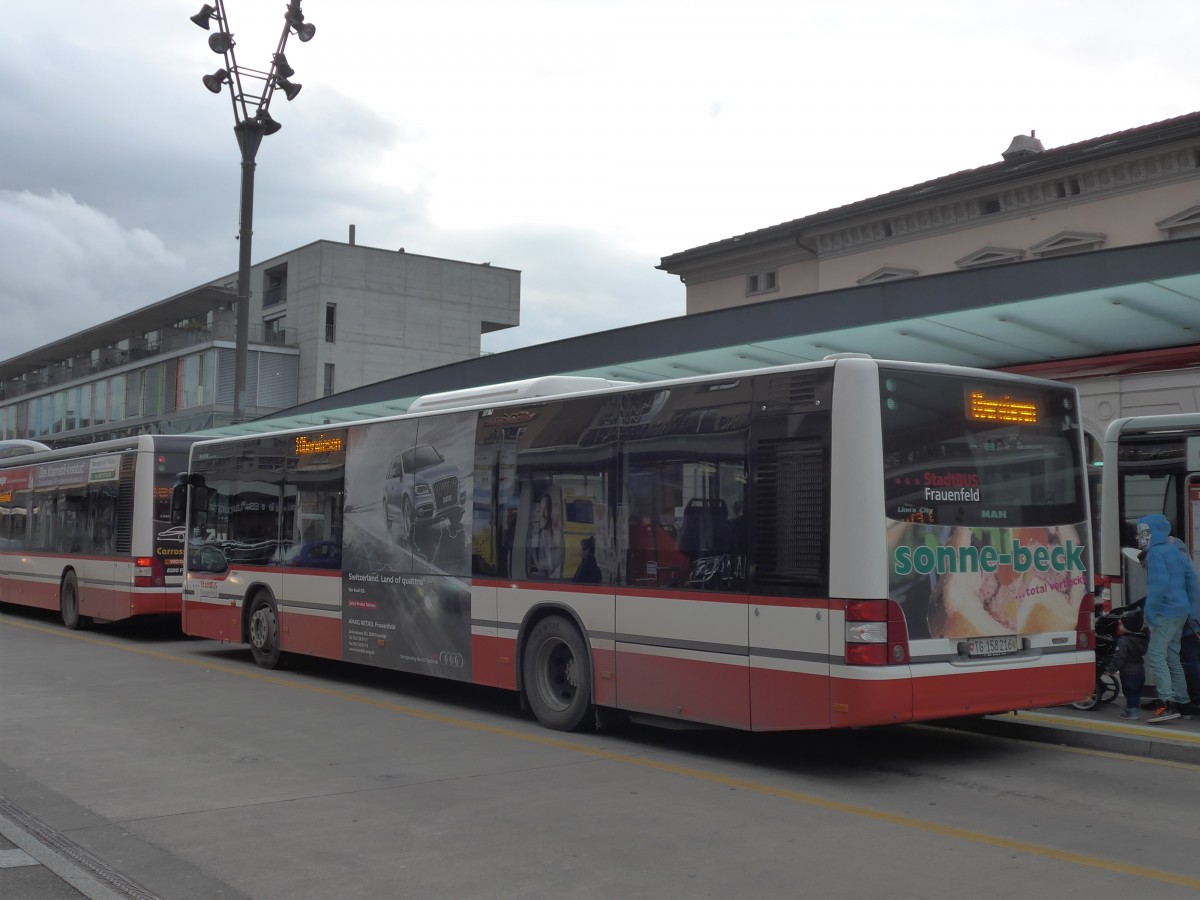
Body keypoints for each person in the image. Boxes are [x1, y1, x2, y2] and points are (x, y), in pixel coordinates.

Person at [1137, 514, 1200, 723]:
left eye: (1143, 532)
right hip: (1181, 611)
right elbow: (1192, 580)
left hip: (1165, 612)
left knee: (1156, 655)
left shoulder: (1155, 553)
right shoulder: (1175, 550)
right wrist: (1194, 611)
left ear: (1152, 533)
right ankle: (1183, 701)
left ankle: (1167, 703)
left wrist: (1149, 613)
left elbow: (1159, 586)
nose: (1140, 537)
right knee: (1173, 656)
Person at [1105, 608, 1150, 720]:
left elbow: (1119, 657)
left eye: (1122, 625)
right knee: (1135, 693)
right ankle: (1133, 708)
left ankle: (1132, 712)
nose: (1120, 627)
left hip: (1129, 673)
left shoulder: (1124, 641)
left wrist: (1111, 669)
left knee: (1129, 692)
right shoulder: (1142, 638)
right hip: (1140, 671)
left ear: (1129, 628)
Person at [527, 493, 563, 578]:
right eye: (539, 510)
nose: (542, 515)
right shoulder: (533, 541)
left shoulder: (558, 537)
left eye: (545, 509)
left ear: (550, 512)